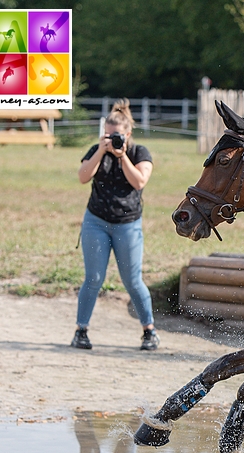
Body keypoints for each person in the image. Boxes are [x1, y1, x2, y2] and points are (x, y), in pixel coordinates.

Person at [72, 98, 159, 351]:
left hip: (128, 224)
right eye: (107, 135)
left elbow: (140, 181)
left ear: (128, 134)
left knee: (132, 280)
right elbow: (82, 177)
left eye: (117, 136)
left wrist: (122, 157)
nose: (112, 140)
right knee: (93, 278)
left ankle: (149, 331)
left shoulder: (138, 152)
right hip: (96, 221)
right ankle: (81, 330)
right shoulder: (97, 149)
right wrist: (101, 150)